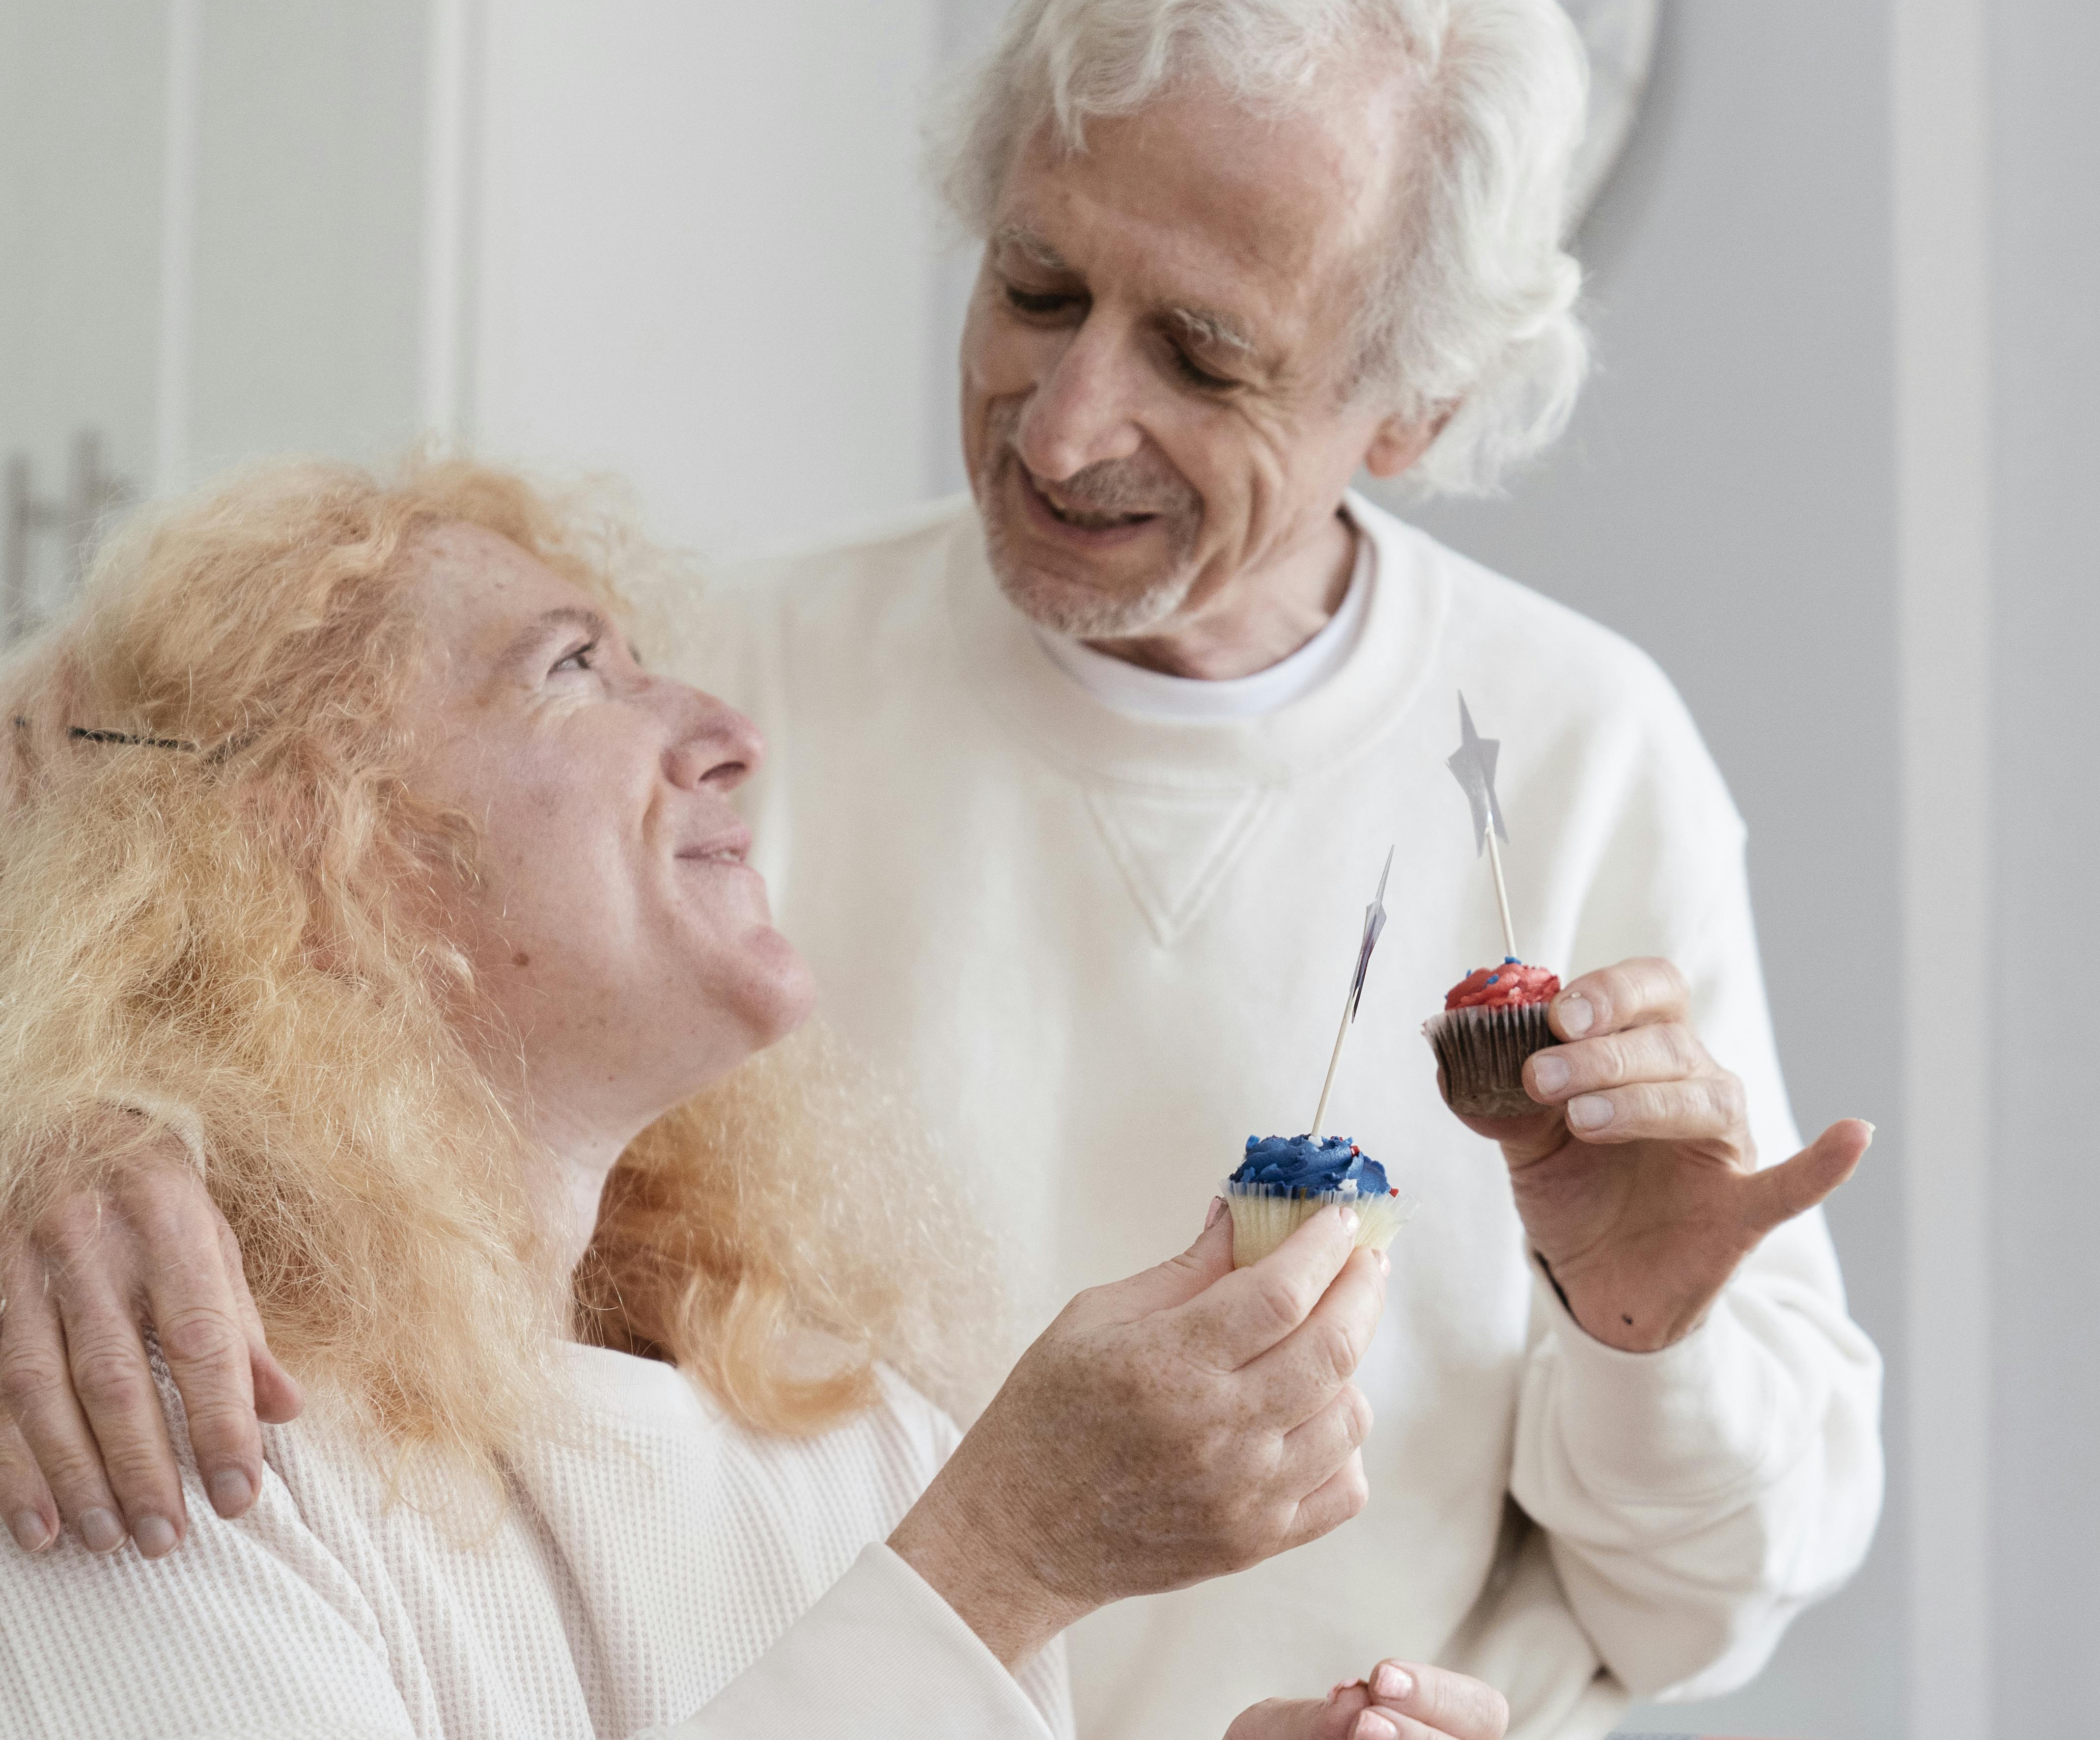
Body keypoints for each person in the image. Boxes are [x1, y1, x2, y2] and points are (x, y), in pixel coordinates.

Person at [0, 0, 1887, 1735]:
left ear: (1414, 407)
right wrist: (56, 1115)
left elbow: (1692, 1605)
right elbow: (134, 780)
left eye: (1204, 357)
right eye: (1035, 288)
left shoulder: (1577, 750)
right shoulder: (726, 692)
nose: (1060, 428)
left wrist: (1649, 1330)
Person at [0, 459, 1509, 1740]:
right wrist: (997, 1566)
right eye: (575, 668)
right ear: (308, 844)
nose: (728, 728)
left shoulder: (848, 1436)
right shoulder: (132, 1424)